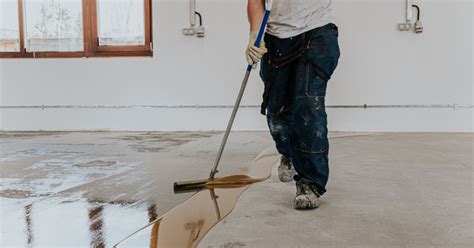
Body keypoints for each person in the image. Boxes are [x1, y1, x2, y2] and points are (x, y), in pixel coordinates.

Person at [246, 0, 340, 210]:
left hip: (316, 30)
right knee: (277, 111)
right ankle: (287, 152)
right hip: (276, 39)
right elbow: (255, 1)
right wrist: (256, 35)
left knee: (308, 106)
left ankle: (310, 182)